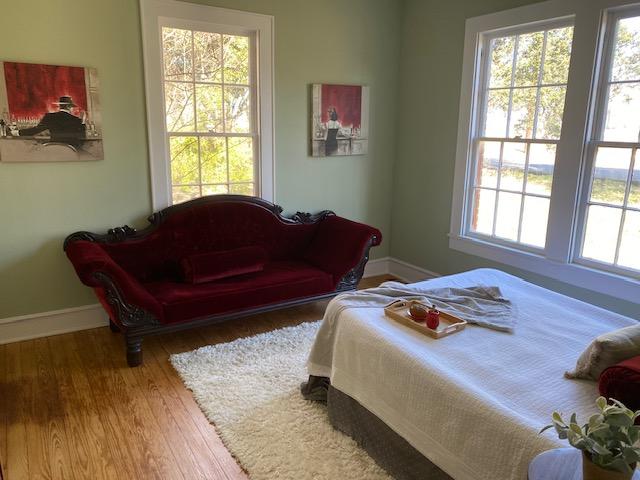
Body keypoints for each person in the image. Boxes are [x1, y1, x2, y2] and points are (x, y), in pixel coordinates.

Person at [16, 96, 86, 147]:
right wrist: (83, 122)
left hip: (54, 148)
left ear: (60, 106)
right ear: (69, 107)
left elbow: (35, 130)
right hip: (72, 150)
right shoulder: (76, 120)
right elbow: (82, 136)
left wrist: (17, 132)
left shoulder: (49, 117)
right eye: (71, 107)